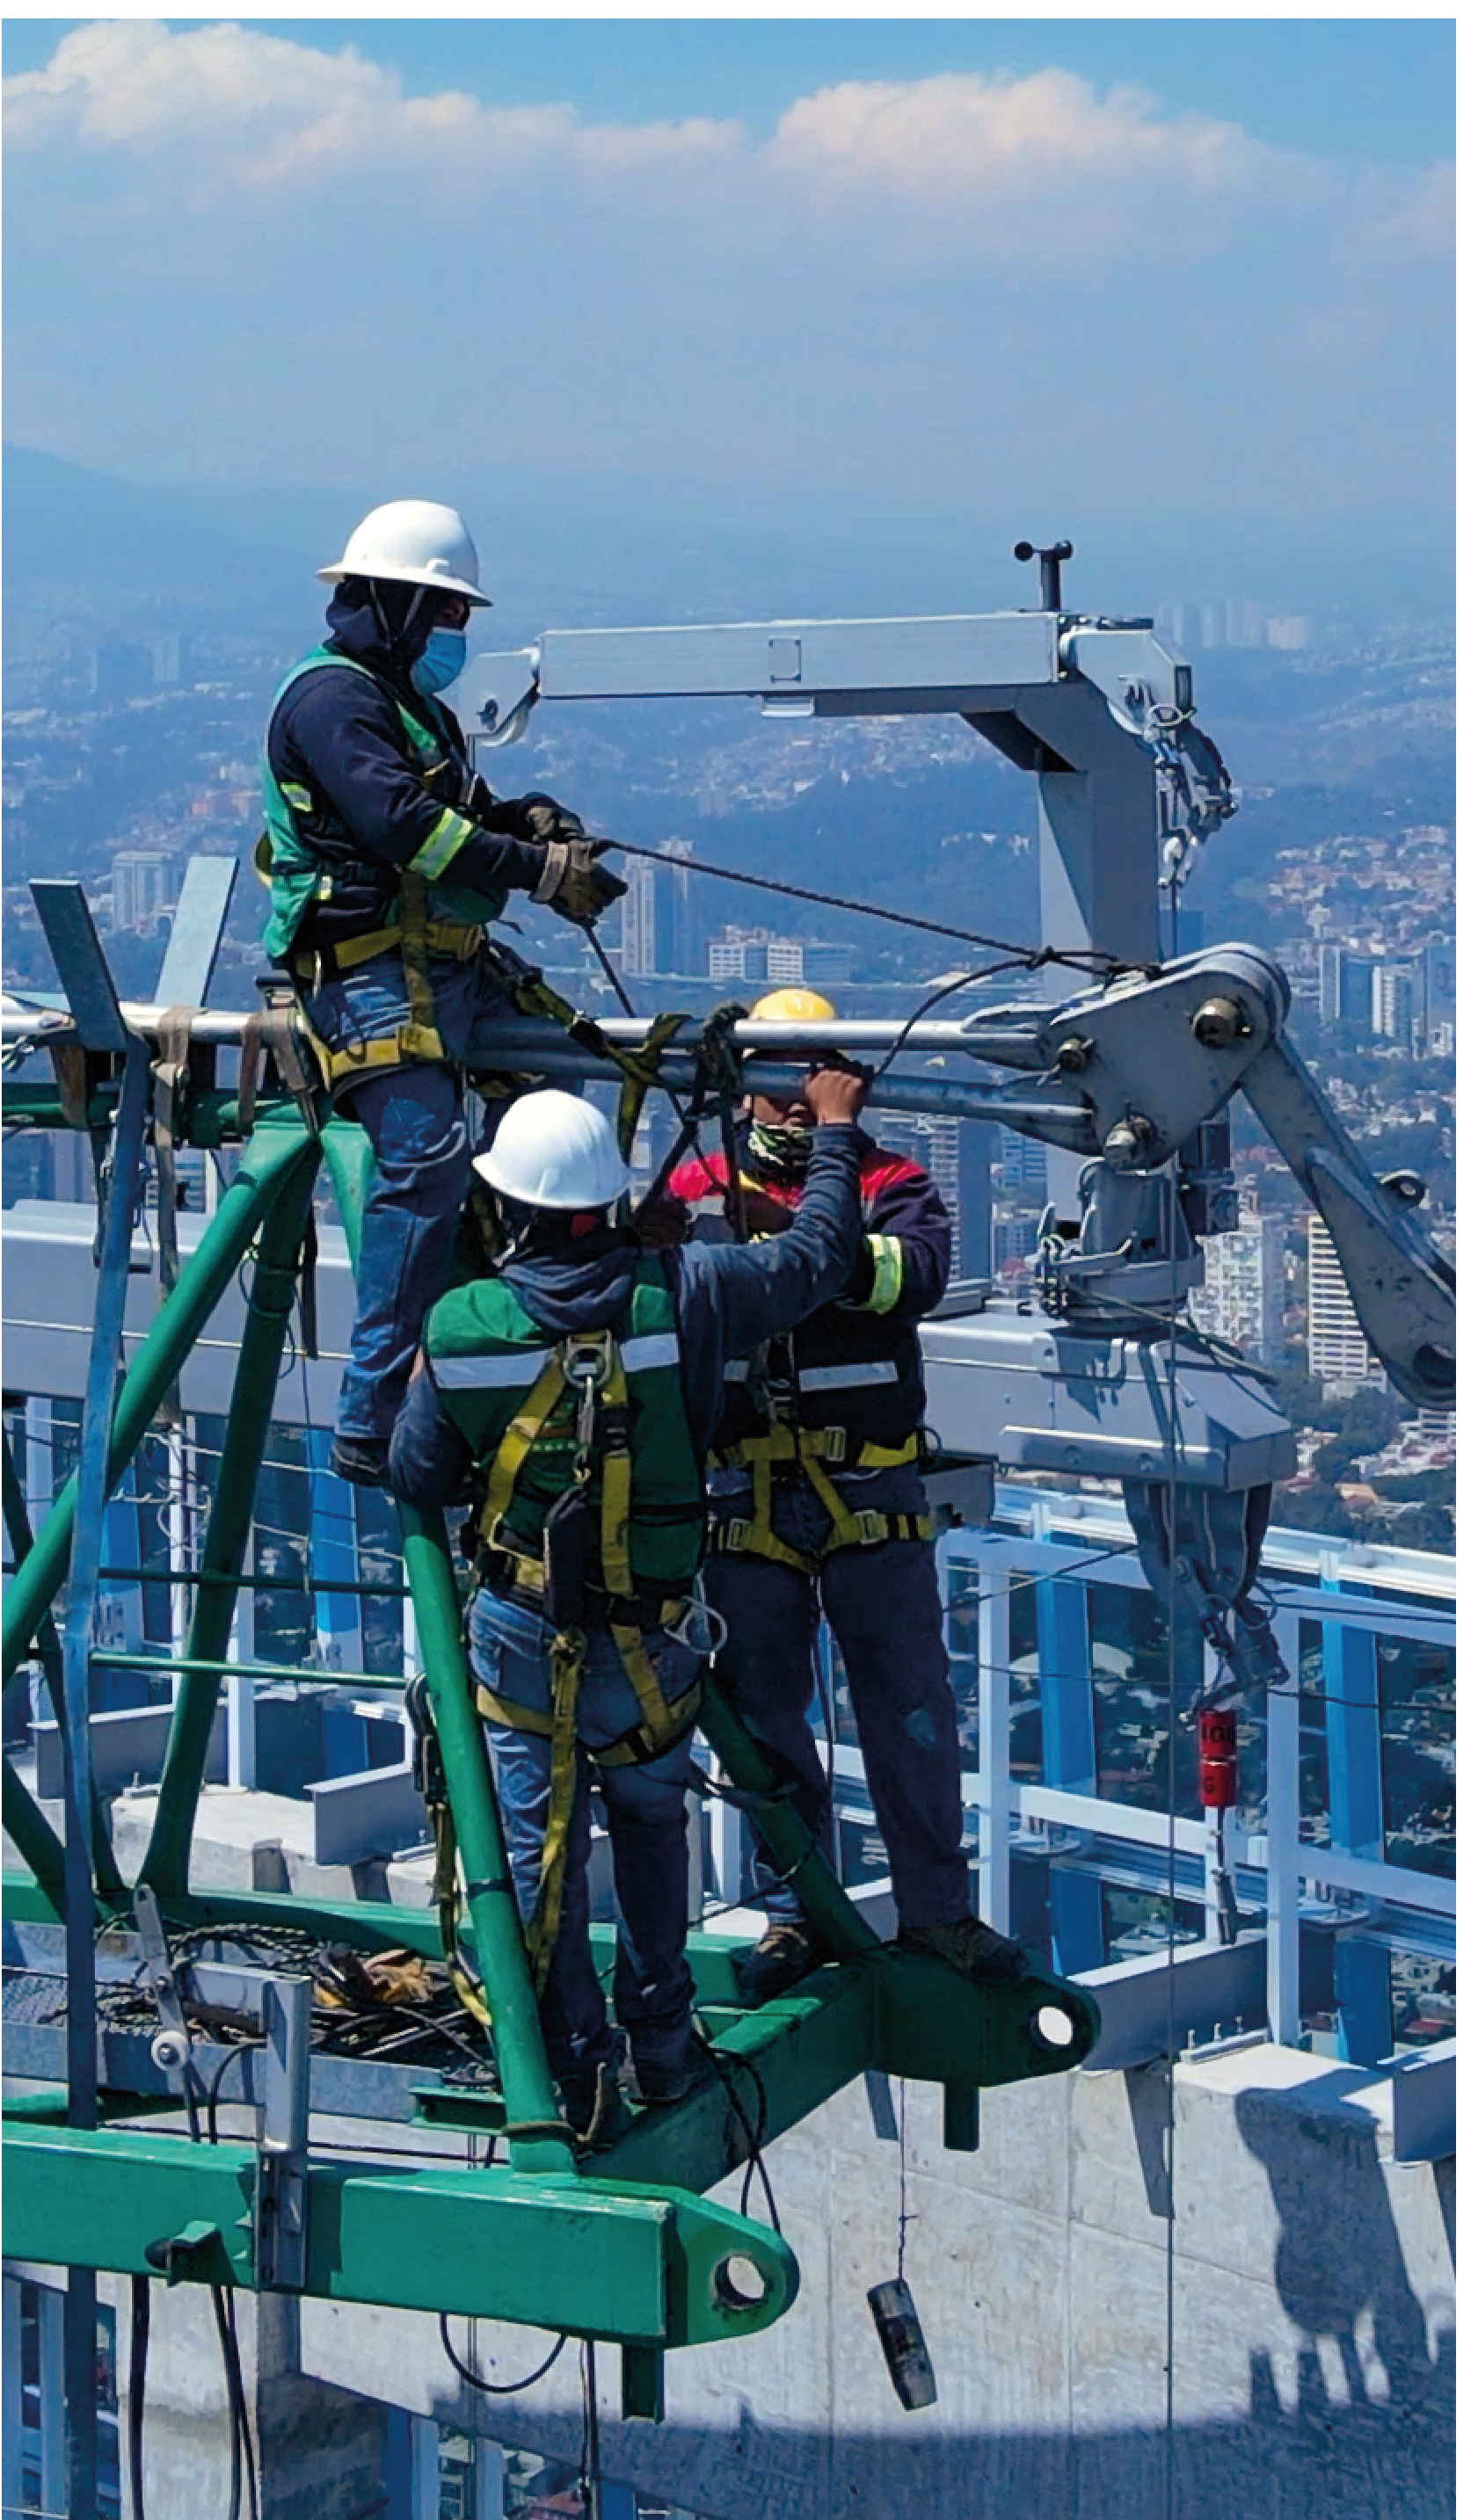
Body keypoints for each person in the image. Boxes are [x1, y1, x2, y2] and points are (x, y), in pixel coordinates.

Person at [389, 1069, 870, 2144]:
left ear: (506, 1207)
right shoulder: (683, 1289)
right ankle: (659, 2041)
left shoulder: (464, 1325)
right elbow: (816, 1258)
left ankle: (565, 2061)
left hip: (520, 1629)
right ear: (605, 1201)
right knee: (651, 1818)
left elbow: (417, 1471)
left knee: (531, 1849)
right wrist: (833, 1134)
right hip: (650, 1632)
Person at [665, 986, 1031, 2004]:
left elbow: (901, 1278)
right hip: (743, 1491)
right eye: (774, 1083)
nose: (787, 1103)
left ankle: (936, 1915)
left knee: (910, 1712)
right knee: (766, 1719)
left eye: (808, 1081)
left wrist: (784, 1241)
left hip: (869, 1488)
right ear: (742, 1090)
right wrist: (770, 1245)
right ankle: (798, 1914)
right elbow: (679, 1280)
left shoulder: (893, 1181)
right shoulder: (695, 1181)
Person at [259, 498, 625, 1486]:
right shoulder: (332, 702)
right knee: (424, 1157)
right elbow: (403, 827)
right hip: (368, 973)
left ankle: (500, 1338)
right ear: (394, 605)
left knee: (555, 1101)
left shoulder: (406, 703)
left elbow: (456, 810)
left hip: (446, 964)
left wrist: (527, 819)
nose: (456, 635)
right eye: (446, 614)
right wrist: (539, 868)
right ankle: (374, 1412)